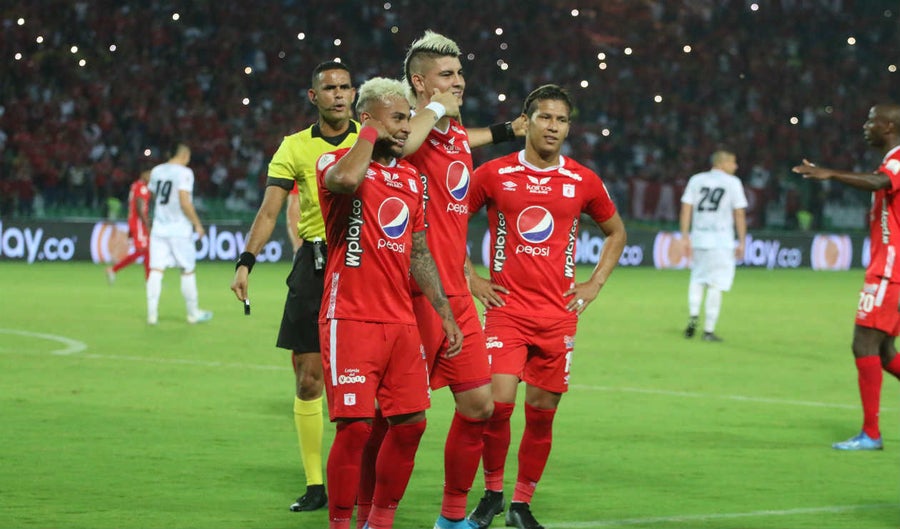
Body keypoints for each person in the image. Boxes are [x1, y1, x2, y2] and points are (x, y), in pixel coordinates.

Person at [378, 29, 524, 529]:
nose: (459, 81)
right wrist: (436, 106)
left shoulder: (455, 135)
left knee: (480, 405)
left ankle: (452, 518)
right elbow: (409, 141)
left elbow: (466, 139)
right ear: (420, 82)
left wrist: (508, 130)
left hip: (456, 295)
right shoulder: (410, 130)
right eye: (447, 75)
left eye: (460, 73)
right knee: (398, 420)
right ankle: (373, 514)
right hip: (415, 294)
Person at [466, 84, 626, 529]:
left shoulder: (582, 180)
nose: (553, 127)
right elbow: (451, 219)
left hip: (558, 316)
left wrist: (594, 284)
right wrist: (470, 278)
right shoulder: (494, 173)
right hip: (506, 311)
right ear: (527, 121)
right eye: (545, 117)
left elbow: (616, 232)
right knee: (496, 407)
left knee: (541, 416)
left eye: (562, 120)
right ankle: (492, 494)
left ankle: (521, 504)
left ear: (568, 127)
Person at [316, 76, 463, 529]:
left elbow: (419, 251)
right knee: (356, 428)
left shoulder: (411, 178)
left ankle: (378, 522)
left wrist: (444, 312)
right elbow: (345, 180)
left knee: (412, 423)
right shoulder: (335, 161)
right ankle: (341, 524)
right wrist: (368, 134)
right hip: (350, 317)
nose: (406, 128)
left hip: (400, 320)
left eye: (407, 118)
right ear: (368, 120)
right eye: (397, 119)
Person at [230, 60, 359, 512]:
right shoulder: (294, 146)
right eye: (330, 88)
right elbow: (269, 211)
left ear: (354, 93)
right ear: (313, 96)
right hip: (315, 265)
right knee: (308, 380)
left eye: (345, 87)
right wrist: (246, 262)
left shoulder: (373, 139)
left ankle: (362, 476)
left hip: (365, 263)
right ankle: (315, 483)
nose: (338, 94)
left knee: (367, 380)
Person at [792, 103, 900, 451]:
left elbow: (880, 182)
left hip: (890, 270)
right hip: (888, 268)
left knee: (864, 344)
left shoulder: (897, 160)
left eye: (871, 120)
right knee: (884, 351)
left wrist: (831, 173)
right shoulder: (890, 159)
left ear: (888, 126)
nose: (865, 126)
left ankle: (871, 434)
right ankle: (870, 433)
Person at [679, 150, 748, 342]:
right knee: (716, 284)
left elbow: (686, 208)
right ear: (722, 163)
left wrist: (685, 235)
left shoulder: (696, 180)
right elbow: (739, 213)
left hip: (700, 237)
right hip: (721, 240)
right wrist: (742, 241)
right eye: (733, 162)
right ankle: (708, 330)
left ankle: (693, 316)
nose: (735, 166)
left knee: (697, 278)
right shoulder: (733, 183)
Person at [145, 143, 212, 325]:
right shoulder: (185, 173)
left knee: (156, 270)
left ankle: (152, 315)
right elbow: (184, 201)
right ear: (184, 155)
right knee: (187, 270)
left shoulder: (157, 171)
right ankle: (192, 313)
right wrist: (197, 224)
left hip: (159, 228)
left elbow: (153, 197)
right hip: (180, 230)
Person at [107, 170, 152, 283]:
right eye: (150, 176)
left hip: (133, 221)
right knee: (142, 250)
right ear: (144, 175)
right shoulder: (142, 187)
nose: (151, 179)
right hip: (139, 222)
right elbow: (139, 206)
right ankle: (113, 269)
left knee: (146, 250)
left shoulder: (135, 185)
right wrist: (146, 223)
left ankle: (149, 280)